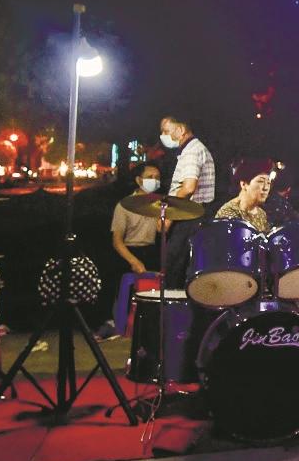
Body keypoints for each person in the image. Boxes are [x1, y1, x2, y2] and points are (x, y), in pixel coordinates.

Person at [101, 163, 162, 338]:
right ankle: (118, 324)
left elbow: (161, 230)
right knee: (124, 289)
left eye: (157, 178)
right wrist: (133, 261)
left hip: (151, 250)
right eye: (150, 177)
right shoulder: (124, 205)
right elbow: (117, 241)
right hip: (129, 251)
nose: (154, 181)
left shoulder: (158, 203)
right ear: (138, 180)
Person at [158, 114, 215, 288]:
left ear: (181, 129)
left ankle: (172, 304)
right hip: (195, 218)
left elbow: (189, 187)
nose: (163, 136)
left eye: (166, 131)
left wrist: (169, 216)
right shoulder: (194, 148)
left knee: (174, 271)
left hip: (188, 219)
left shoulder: (191, 151)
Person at [214, 159, 271, 233]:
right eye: (260, 181)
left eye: (268, 183)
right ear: (243, 184)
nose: (266, 188)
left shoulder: (261, 214)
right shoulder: (228, 213)